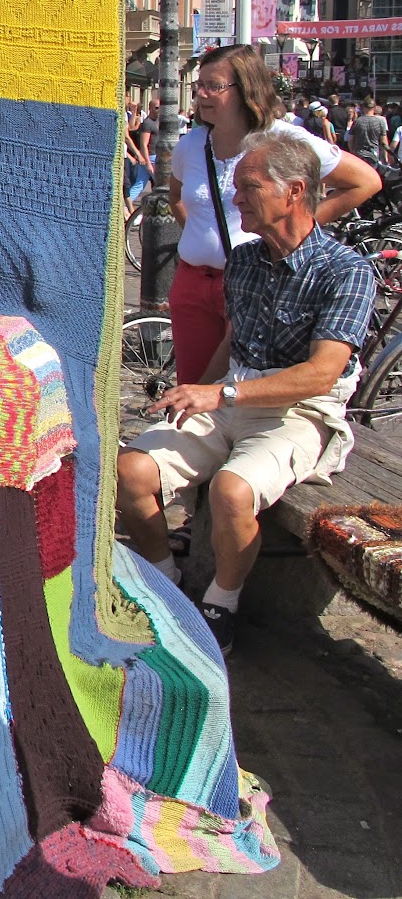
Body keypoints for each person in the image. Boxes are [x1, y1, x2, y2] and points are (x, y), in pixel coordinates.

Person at [117, 132, 375, 655]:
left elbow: (321, 375)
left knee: (232, 491)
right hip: (232, 396)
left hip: (298, 410)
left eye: (248, 188)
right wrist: (202, 389)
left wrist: (222, 396)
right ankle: (168, 583)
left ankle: (220, 605)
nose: (234, 200)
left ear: (295, 192)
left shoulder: (345, 271)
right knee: (130, 471)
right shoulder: (246, 260)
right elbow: (235, 341)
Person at [165, 44, 378, 387]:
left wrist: (291, 230)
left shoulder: (282, 139)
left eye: (213, 86)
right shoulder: (191, 144)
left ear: (245, 89)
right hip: (194, 283)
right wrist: (201, 237)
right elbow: (176, 197)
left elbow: (364, 182)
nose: (201, 94)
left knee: (246, 386)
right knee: (194, 386)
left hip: (261, 280)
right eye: (198, 86)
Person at [350, 99, 391, 170]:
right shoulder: (380, 122)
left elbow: (351, 139)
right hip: (373, 155)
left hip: (359, 154)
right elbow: (384, 142)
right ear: (374, 108)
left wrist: (352, 151)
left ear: (363, 108)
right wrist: (385, 158)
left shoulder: (357, 121)